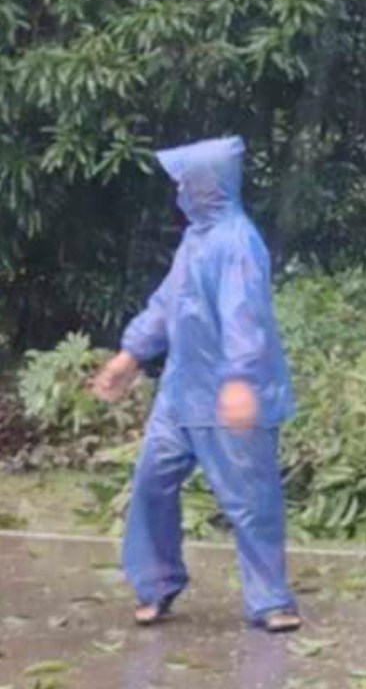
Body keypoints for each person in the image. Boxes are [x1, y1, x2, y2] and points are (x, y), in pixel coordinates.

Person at [88, 135, 301, 633]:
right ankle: (156, 584)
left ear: (207, 185)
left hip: (229, 395)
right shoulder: (196, 240)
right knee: (151, 485)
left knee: (251, 501)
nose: (179, 189)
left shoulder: (237, 243)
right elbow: (167, 304)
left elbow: (245, 317)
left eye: (185, 180)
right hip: (182, 394)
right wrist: (130, 356)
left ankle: (271, 600)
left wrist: (240, 382)